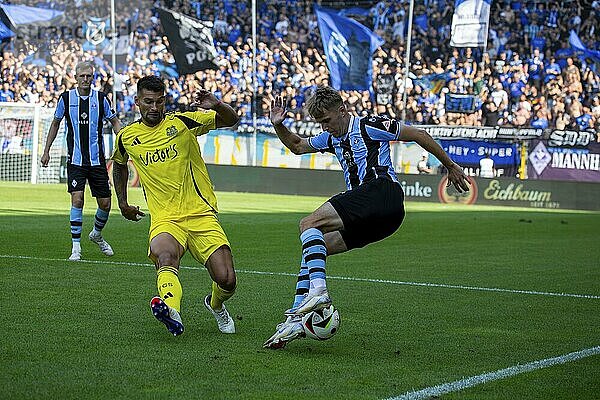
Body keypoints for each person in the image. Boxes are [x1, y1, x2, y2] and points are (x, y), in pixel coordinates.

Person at [263, 86, 470, 349]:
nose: (325, 127)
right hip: (383, 220)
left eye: (327, 120)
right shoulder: (330, 138)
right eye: (320, 123)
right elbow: (296, 145)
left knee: (308, 224)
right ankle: (296, 317)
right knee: (315, 247)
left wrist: (450, 166)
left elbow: (418, 134)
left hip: (382, 193)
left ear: (342, 110)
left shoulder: (369, 125)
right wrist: (278, 124)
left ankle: (318, 291)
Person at [111, 75, 239, 336]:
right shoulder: (127, 137)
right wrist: (122, 202)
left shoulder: (183, 122)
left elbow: (231, 120)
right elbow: (120, 165)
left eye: (159, 102)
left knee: (226, 280)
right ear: (137, 102)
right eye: (148, 102)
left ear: (165, 101)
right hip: (165, 218)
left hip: (201, 214)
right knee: (164, 255)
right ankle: (172, 311)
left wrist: (216, 105)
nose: (154, 108)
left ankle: (215, 305)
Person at [41, 61, 121, 261]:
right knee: (78, 200)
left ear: (93, 78)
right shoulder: (66, 99)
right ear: (75, 77)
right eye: (82, 76)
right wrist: (46, 150)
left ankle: (96, 234)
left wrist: (124, 141)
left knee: (105, 204)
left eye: (89, 76)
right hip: (76, 161)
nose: (86, 79)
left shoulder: (101, 99)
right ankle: (76, 247)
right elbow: (55, 124)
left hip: (97, 161)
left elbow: (115, 121)